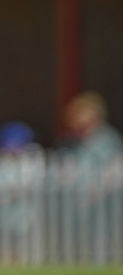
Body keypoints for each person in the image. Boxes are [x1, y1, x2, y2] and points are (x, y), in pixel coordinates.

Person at [61, 91, 123, 263]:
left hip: (104, 205)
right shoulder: (69, 142)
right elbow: (63, 168)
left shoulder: (109, 140)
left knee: (103, 247)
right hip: (75, 205)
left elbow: (115, 171)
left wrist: (96, 190)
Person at [0, 121, 43, 264]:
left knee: (26, 250)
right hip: (2, 216)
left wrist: (9, 193)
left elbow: (29, 185)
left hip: (26, 216)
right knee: (3, 247)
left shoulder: (32, 160)